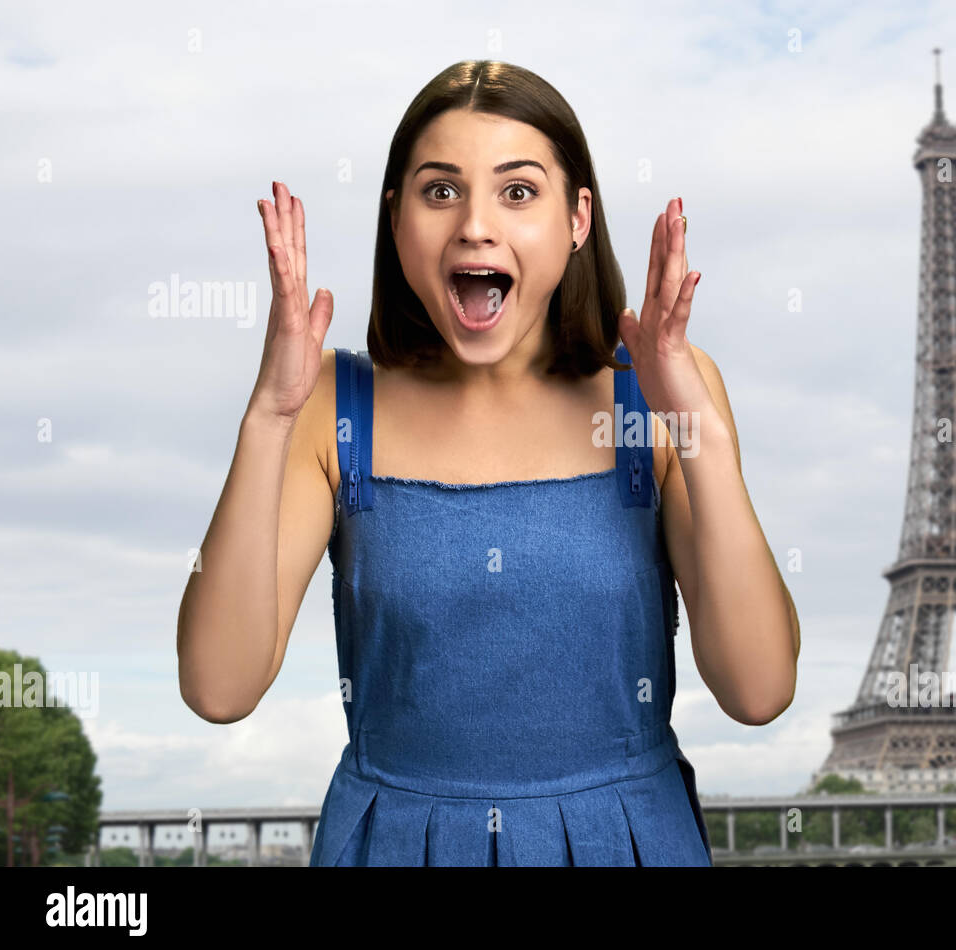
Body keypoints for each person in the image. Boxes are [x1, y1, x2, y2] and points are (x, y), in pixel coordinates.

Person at [176, 60, 800, 866]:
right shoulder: (331, 408)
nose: (474, 224)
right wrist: (268, 415)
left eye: (517, 191)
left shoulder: (657, 391)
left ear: (577, 218)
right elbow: (219, 689)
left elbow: (758, 692)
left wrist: (695, 427)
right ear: (396, 219)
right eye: (440, 191)